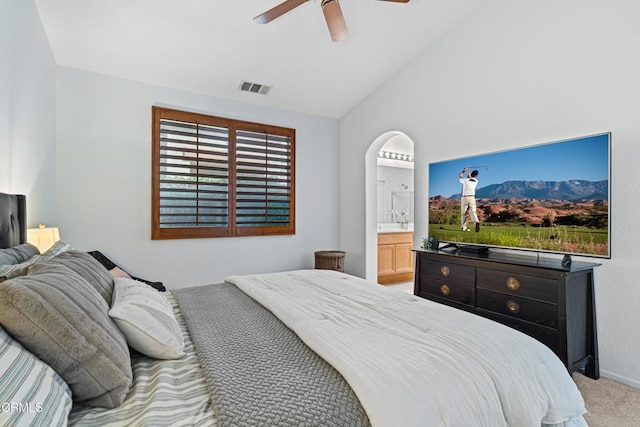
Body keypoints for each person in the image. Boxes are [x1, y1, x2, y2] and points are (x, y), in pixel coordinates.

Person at [458, 166, 480, 232]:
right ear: (476, 176)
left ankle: (463, 227)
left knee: (463, 213)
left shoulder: (465, 180)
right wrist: (468, 171)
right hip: (472, 198)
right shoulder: (476, 181)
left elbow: (459, 177)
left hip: (464, 198)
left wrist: (464, 170)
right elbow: (470, 177)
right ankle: (476, 222)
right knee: (473, 212)